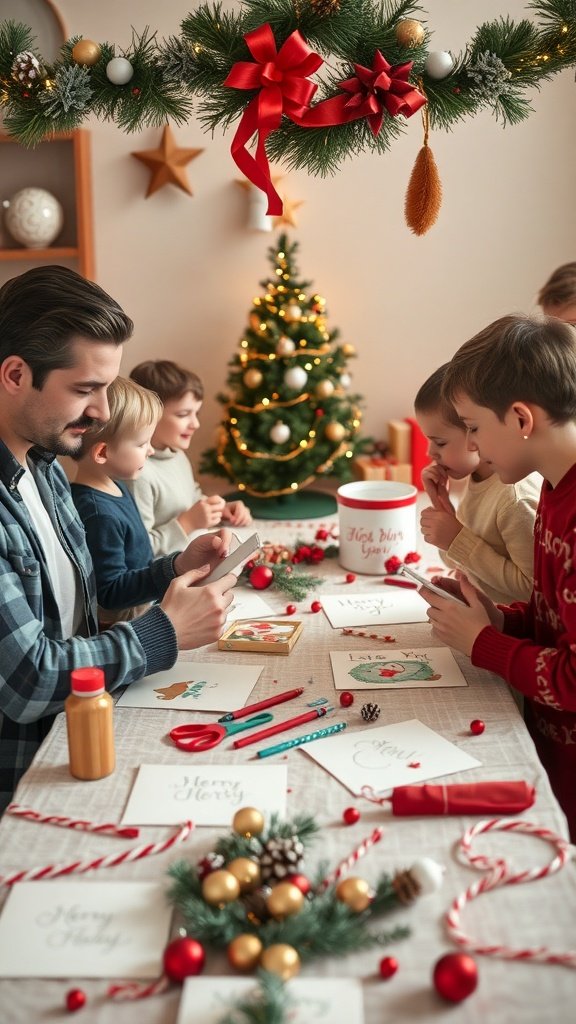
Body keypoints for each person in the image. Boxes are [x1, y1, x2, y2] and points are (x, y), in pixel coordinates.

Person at [0, 265, 236, 814]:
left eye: (107, 387)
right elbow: (30, 679)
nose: (104, 411)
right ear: (15, 375)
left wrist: (174, 566)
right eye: (86, 389)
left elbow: (89, 601)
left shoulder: (45, 465)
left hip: (82, 744)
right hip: (29, 781)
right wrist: (164, 632)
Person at [422, 314, 576, 840]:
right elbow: (553, 613)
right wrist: (501, 621)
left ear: (519, 418)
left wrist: (484, 644)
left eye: (472, 427)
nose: (470, 442)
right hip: (552, 747)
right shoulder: (555, 491)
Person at [415, 364, 540, 604]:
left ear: (476, 432)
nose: (430, 453)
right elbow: (458, 562)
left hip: (514, 622)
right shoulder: (477, 478)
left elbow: (533, 591)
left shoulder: (513, 497)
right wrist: (444, 508)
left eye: (440, 443)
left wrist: (456, 538)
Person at [128, 360, 252, 556]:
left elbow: (190, 499)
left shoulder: (177, 455)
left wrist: (220, 510)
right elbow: (138, 550)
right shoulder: (137, 473)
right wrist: (187, 523)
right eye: (184, 414)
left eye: (196, 413)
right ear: (149, 414)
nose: (195, 424)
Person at [70, 376, 166, 625]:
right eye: (142, 443)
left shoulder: (118, 487)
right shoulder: (98, 514)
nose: (151, 450)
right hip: (121, 624)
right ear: (102, 452)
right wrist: (167, 573)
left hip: (141, 606)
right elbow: (110, 593)